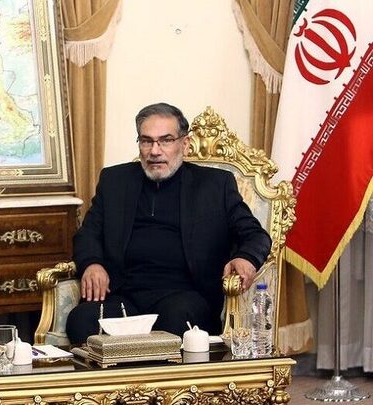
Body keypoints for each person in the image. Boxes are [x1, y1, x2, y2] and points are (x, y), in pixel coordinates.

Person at [66, 102, 271, 344]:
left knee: (176, 322)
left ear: (184, 144)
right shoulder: (115, 181)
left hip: (185, 296)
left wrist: (246, 258)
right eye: (147, 141)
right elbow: (87, 233)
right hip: (123, 297)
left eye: (166, 140)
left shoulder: (215, 185)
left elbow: (255, 235)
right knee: (82, 320)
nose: (155, 151)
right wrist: (92, 264)